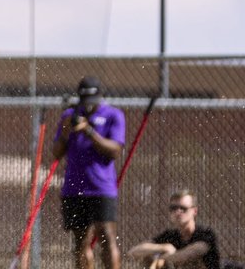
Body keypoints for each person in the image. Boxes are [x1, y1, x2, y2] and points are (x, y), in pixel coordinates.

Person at [53, 76, 126, 269]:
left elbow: (115, 150)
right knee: (80, 242)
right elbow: (56, 153)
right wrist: (66, 130)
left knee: (107, 237)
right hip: (74, 188)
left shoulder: (113, 115)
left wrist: (89, 131)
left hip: (101, 188)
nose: (88, 105)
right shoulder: (69, 116)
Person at [127, 190, 219, 269]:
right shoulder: (170, 235)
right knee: (149, 257)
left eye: (183, 208)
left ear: (194, 211)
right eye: (173, 208)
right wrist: (163, 247)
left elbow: (187, 255)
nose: (178, 212)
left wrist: (160, 258)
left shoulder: (205, 234)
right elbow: (134, 252)